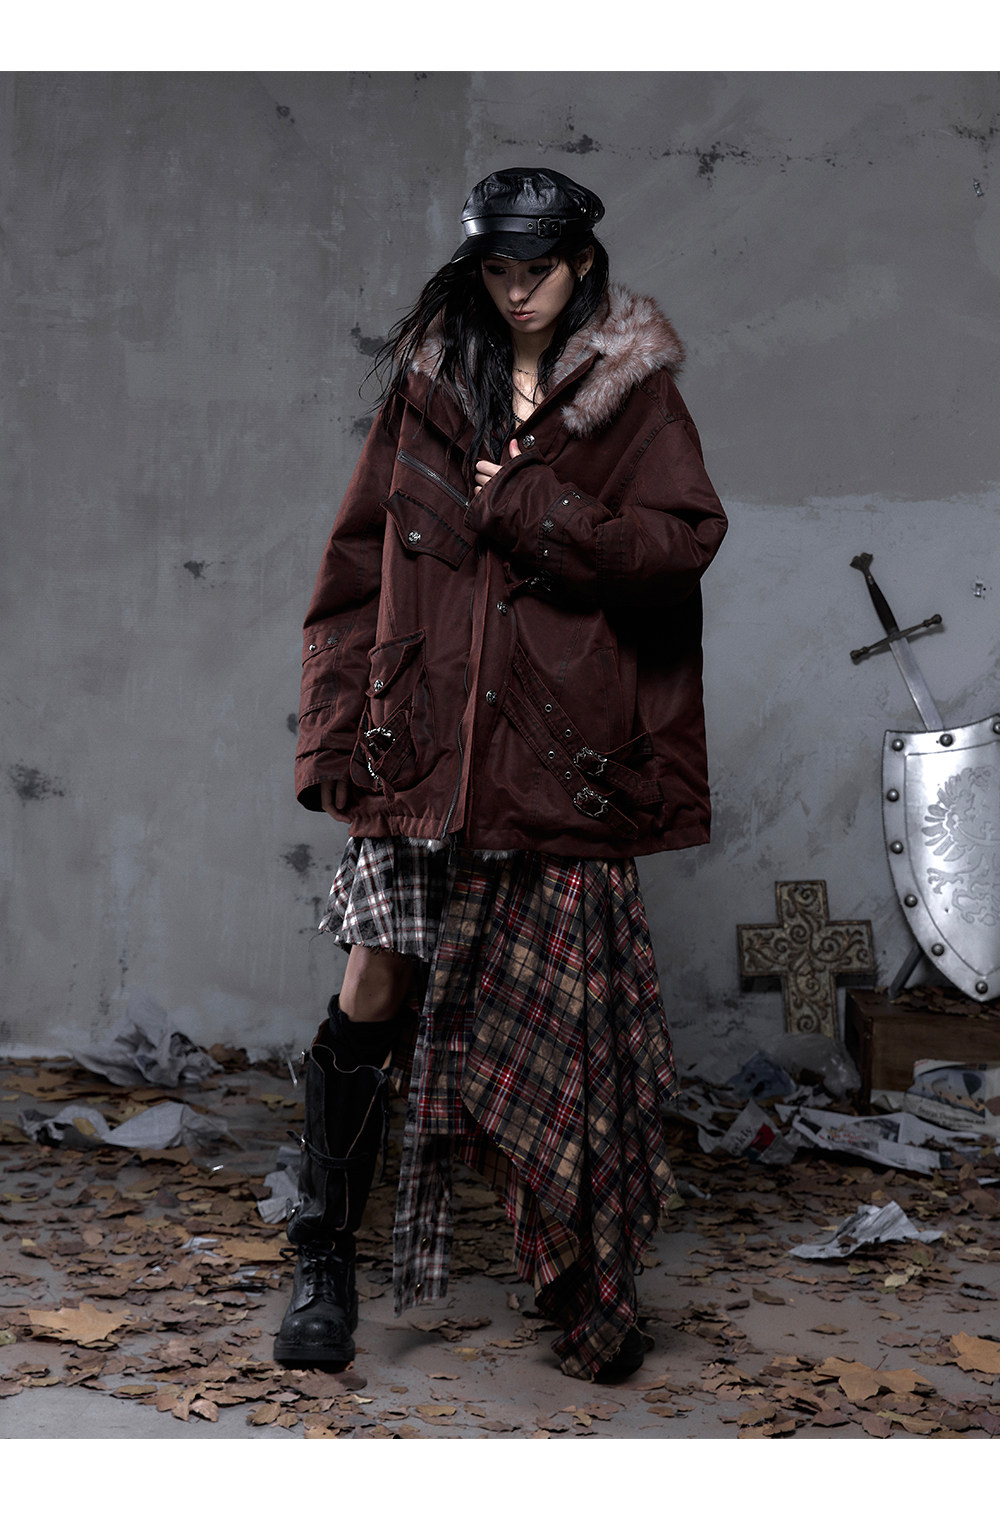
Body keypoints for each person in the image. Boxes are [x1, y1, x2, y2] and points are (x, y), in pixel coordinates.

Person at [273, 167, 728, 1383]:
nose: (517, 292)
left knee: (558, 1024)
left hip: (554, 761)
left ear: (581, 264)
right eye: (496, 270)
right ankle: (323, 1256)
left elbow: (681, 544)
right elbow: (353, 572)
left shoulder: (633, 394)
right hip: (418, 749)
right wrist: (332, 739)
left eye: (538, 270)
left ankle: (575, 1271)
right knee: (373, 983)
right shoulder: (429, 387)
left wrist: (538, 506)